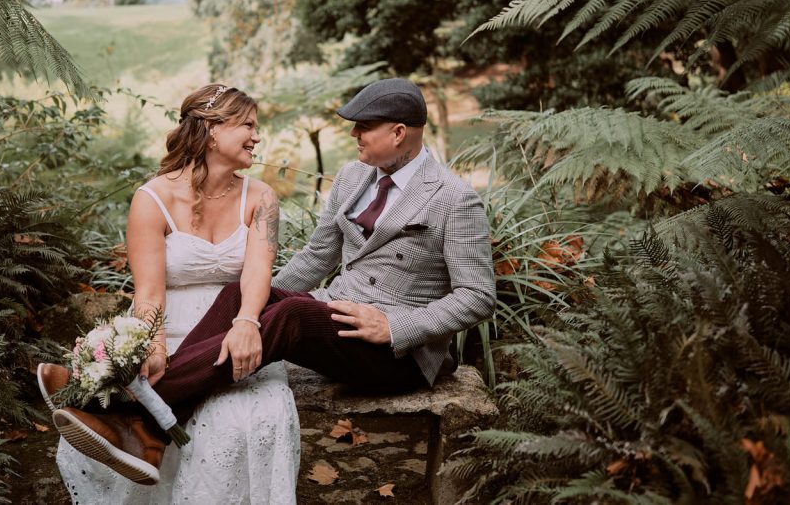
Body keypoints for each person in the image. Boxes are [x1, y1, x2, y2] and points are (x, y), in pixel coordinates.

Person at [54, 77, 496, 484]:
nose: (353, 135)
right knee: (240, 295)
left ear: (398, 133)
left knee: (293, 314)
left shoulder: (453, 199)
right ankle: (148, 431)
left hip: (397, 353)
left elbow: (477, 296)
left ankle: (129, 411)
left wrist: (395, 328)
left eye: (363, 126)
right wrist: (256, 300)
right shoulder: (353, 176)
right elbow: (318, 255)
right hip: (340, 317)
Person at [37, 84, 300, 503]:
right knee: (158, 375)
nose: (257, 136)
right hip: (173, 326)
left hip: (238, 321)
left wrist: (248, 323)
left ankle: (125, 419)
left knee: (248, 417)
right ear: (212, 131)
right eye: (248, 125)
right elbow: (149, 293)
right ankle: (133, 420)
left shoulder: (262, 198)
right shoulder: (151, 199)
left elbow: (256, 275)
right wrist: (153, 345)